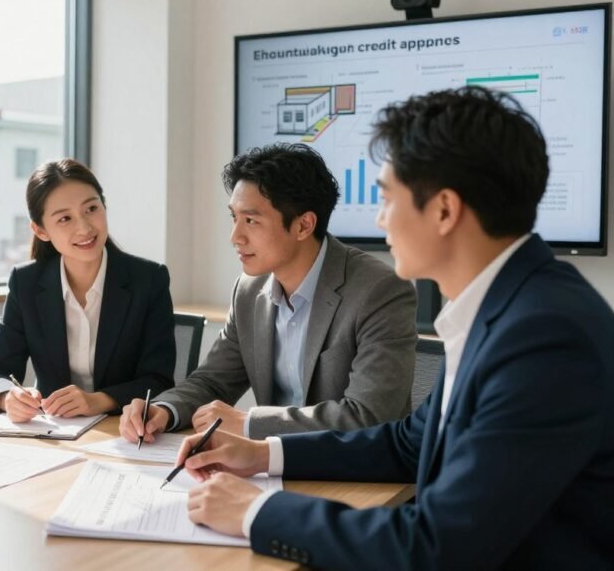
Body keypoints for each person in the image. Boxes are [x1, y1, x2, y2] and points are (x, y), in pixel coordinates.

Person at [179, 87, 614, 569]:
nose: (380, 219)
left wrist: (256, 511)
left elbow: (440, 546)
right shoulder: (503, 306)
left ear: (445, 210)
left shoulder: (544, 337)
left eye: (387, 198)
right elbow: (407, 443)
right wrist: (262, 455)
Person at [120, 143, 416, 442]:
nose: (235, 237)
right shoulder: (249, 290)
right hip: (269, 465)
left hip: (355, 475)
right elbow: (212, 382)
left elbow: (368, 416)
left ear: (303, 225)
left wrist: (249, 423)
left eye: (251, 221)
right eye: (233, 218)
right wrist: (164, 410)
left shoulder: (378, 291)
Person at [0, 158, 176, 422]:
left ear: (104, 206)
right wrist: (9, 397)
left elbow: (159, 379)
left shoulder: (149, 279)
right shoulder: (25, 283)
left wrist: (97, 401)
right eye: (65, 218)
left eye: (91, 209)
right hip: (56, 434)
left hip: (124, 429)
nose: (84, 228)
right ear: (40, 230)